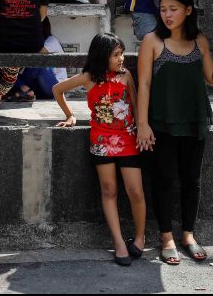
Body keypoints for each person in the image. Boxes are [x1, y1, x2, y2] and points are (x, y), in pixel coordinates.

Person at [137, 0, 213, 265]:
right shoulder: (152, 40)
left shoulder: (200, 41)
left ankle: (188, 234)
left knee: (191, 181)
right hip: (161, 121)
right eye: (163, 10)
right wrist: (142, 124)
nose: (167, 15)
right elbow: (144, 84)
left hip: (195, 118)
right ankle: (166, 237)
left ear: (187, 11)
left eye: (173, 9)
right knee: (163, 180)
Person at [52, 33, 144, 267]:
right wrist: (70, 115)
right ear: (102, 56)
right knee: (109, 190)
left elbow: (135, 105)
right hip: (102, 141)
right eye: (116, 55)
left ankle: (140, 237)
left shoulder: (126, 75)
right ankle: (119, 242)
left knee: (135, 191)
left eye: (122, 53)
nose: (121, 58)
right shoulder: (88, 77)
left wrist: (142, 129)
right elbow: (57, 89)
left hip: (129, 138)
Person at [10, 18, 67, 100]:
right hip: (38, 89)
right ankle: (24, 89)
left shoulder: (51, 40)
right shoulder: (33, 43)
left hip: (55, 87)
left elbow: (35, 58)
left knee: (39, 62)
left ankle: (22, 90)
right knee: (8, 70)